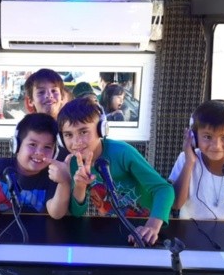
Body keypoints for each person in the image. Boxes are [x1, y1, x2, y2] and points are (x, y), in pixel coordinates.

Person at [57, 97, 174, 246]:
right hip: (115, 229)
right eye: (68, 135)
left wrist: (152, 226)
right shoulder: (74, 163)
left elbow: (164, 189)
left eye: (83, 132)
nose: (76, 142)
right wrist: (80, 186)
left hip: (150, 227)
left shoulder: (123, 152)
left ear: (101, 129)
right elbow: (77, 213)